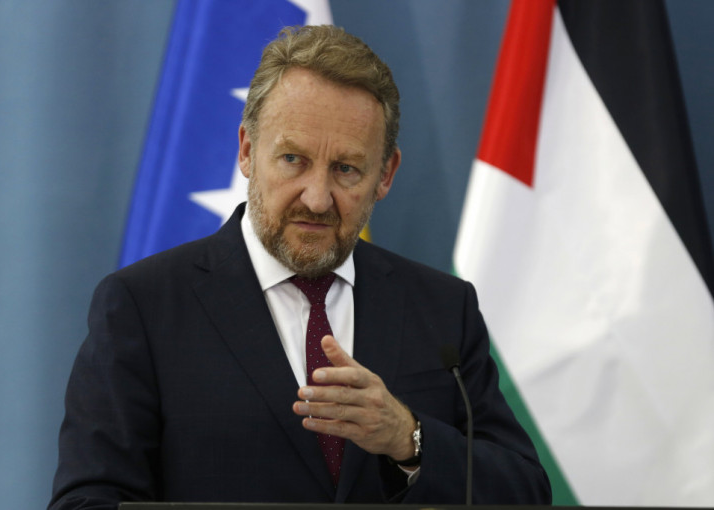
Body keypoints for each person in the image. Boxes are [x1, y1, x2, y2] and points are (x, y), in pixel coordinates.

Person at [49, 25, 551, 508]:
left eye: (346, 169)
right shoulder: (144, 306)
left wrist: (408, 436)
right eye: (293, 159)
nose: (316, 199)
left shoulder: (442, 308)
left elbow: (525, 491)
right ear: (247, 151)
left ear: (385, 175)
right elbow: (87, 501)